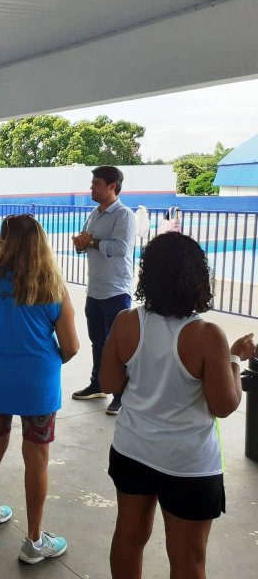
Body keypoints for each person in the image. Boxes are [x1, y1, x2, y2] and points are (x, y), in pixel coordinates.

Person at [99, 232, 251, 579]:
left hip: (132, 449)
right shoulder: (208, 335)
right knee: (188, 557)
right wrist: (233, 359)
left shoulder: (126, 321)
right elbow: (224, 405)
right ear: (197, 278)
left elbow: (109, 383)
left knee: (129, 537)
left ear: (147, 275)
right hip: (188, 464)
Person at [0, 214, 79, 565]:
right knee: (36, 458)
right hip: (38, 385)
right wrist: (44, 359)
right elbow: (71, 346)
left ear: (3, 242)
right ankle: (34, 540)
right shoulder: (53, 285)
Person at [71, 165, 137, 415]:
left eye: (96, 184)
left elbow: (121, 248)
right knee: (97, 340)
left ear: (112, 186)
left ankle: (120, 394)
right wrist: (81, 244)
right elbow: (87, 241)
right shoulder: (95, 214)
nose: (91, 188)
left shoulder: (123, 215)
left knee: (117, 344)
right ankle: (98, 383)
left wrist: (92, 242)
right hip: (95, 288)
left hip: (116, 290)